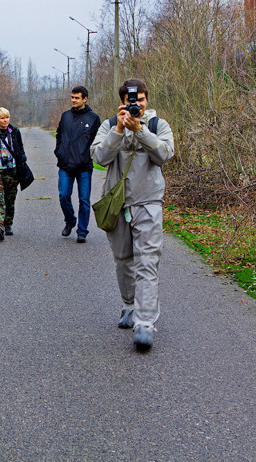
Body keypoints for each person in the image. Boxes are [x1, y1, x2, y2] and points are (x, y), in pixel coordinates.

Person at [90, 78, 174, 352]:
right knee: (124, 260)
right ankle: (129, 306)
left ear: (147, 100)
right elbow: (100, 158)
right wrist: (118, 129)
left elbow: (164, 154)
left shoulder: (157, 125)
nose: (135, 105)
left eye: (140, 101)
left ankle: (145, 323)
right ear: (122, 101)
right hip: (118, 205)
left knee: (148, 262)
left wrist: (139, 130)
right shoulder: (107, 125)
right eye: (130, 101)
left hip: (148, 202)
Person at [54, 85, 101, 243]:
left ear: (85, 99)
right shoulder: (65, 116)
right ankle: (70, 221)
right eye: (72, 97)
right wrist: (59, 152)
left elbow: (97, 141)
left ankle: (82, 231)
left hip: (84, 166)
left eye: (77, 98)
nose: (73, 100)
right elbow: (59, 135)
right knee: (64, 196)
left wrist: (90, 157)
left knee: (84, 200)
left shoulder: (93, 118)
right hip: (66, 165)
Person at [0, 107, 32, 241]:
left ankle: (8, 223)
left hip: (12, 171)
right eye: (2, 118)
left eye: (7, 117)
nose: (5, 120)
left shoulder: (15, 132)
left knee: (10, 199)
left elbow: (20, 147)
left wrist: (22, 158)